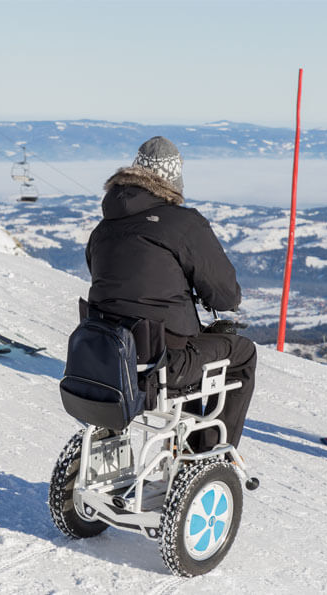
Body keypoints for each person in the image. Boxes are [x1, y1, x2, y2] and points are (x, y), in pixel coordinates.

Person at [85, 136, 256, 452]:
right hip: (161, 364)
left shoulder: (103, 228)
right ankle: (211, 455)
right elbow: (225, 297)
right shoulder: (184, 223)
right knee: (241, 354)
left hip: (109, 358)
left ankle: (182, 452)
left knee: (180, 345)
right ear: (174, 180)